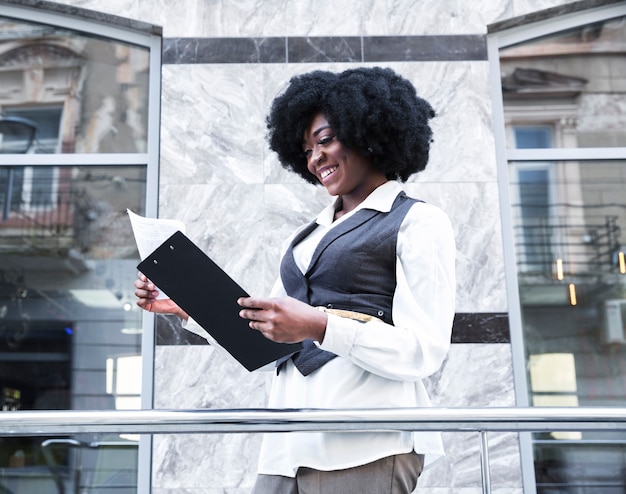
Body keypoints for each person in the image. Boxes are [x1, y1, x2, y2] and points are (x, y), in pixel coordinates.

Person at [135, 66, 456, 494]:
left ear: (370, 133)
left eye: (325, 141)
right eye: (306, 150)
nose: (315, 158)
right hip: (287, 445)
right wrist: (187, 305)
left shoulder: (419, 221)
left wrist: (320, 326)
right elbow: (266, 337)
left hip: (366, 441)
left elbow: (423, 350)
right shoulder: (304, 236)